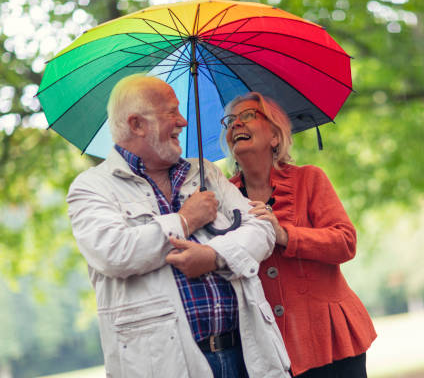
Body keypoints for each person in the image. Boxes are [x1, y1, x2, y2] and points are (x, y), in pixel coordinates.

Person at [66, 75, 290, 378]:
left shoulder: (206, 172)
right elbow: (114, 252)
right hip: (167, 366)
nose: (183, 121)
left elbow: (262, 228)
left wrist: (213, 256)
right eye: (171, 112)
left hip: (247, 356)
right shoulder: (91, 187)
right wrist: (184, 220)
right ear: (136, 124)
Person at [220, 92, 377, 377]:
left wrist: (284, 235)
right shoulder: (221, 198)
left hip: (331, 341)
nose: (235, 125)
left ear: (275, 137)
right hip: (269, 351)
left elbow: (345, 242)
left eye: (248, 116)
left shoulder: (310, 179)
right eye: (230, 121)